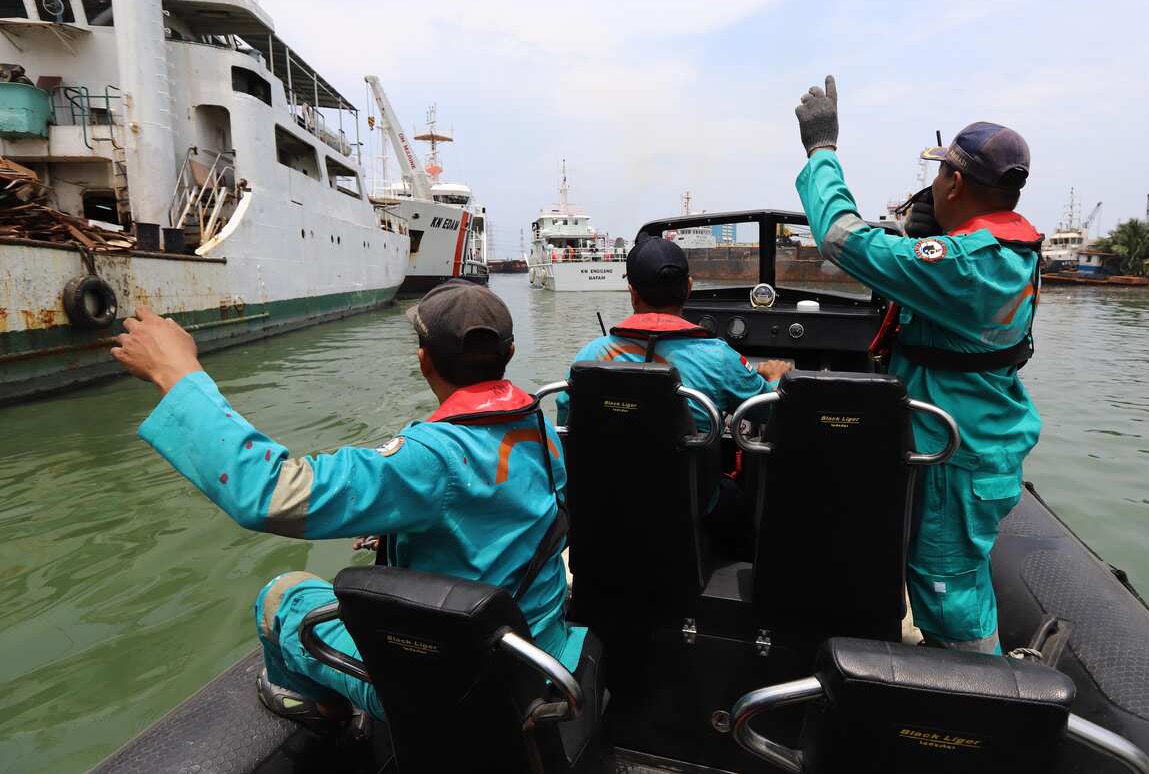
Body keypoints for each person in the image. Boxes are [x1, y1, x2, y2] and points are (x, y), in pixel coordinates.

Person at [110, 281, 580, 727]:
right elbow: (500, 511)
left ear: (423, 360)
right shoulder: (536, 426)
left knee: (283, 596)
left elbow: (270, 493)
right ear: (509, 354)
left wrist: (177, 373)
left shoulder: (427, 458)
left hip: (457, 686)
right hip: (540, 656)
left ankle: (318, 707)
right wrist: (399, 529)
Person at [792, 76, 1042, 654]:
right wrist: (932, 233)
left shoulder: (962, 264)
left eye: (939, 174)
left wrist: (821, 149)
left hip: (956, 456)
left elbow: (840, 237)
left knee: (949, 597)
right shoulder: (1008, 252)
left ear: (954, 182)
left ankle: (975, 695)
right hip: (977, 437)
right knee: (958, 580)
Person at [555, 235, 789, 433]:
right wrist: (776, 379)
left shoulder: (591, 356)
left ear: (633, 294)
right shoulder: (719, 357)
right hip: (692, 476)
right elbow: (772, 411)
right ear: (689, 288)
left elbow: (566, 416)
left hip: (603, 475)